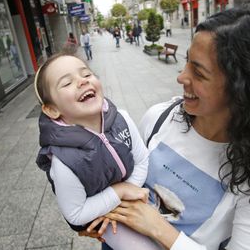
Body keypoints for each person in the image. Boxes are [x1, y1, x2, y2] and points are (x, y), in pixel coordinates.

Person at [91, 4, 250, 250]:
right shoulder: (160, 117)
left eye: (198, 73)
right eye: (187, 61)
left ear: (244, 89)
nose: (181, 77)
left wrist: (158, 228)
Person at [34, 54, 162, 250]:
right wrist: (121, 191)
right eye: (67, 83)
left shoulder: (123, 120)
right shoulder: (63, 161)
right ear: (52, 110)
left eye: (86, 74)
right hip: (107, 223)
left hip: (133, 203)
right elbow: (76, 213)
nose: (82, 81)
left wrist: (127, 193)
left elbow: (142, 160)